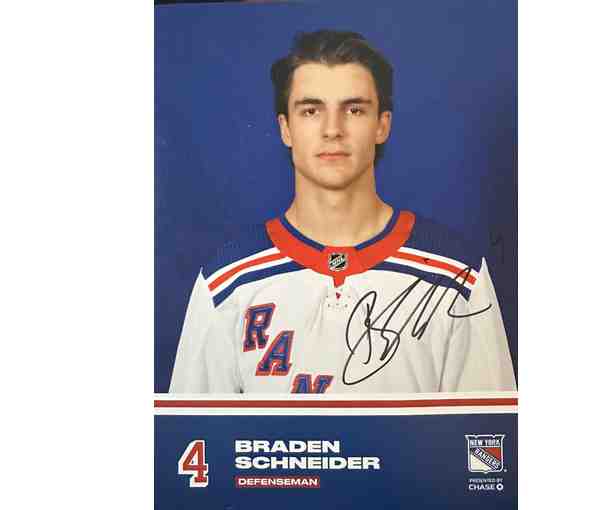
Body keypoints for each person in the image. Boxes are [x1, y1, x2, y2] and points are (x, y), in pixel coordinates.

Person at [169, 30, 516, 394]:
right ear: (285, 128)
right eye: (311, 110)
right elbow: (196, 429)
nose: (332, 130)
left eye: (354, 110)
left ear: (382, 125)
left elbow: (487, 430)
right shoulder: (227, 284)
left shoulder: (457, 277)